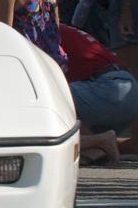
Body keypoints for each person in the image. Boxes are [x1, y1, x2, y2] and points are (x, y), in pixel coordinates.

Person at [59, 25, 138, 164]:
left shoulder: (37, 32)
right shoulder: (50, 27)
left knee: (48, 95)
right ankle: (101, 145)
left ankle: (97, 144)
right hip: (127, 89)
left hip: (109, 90)